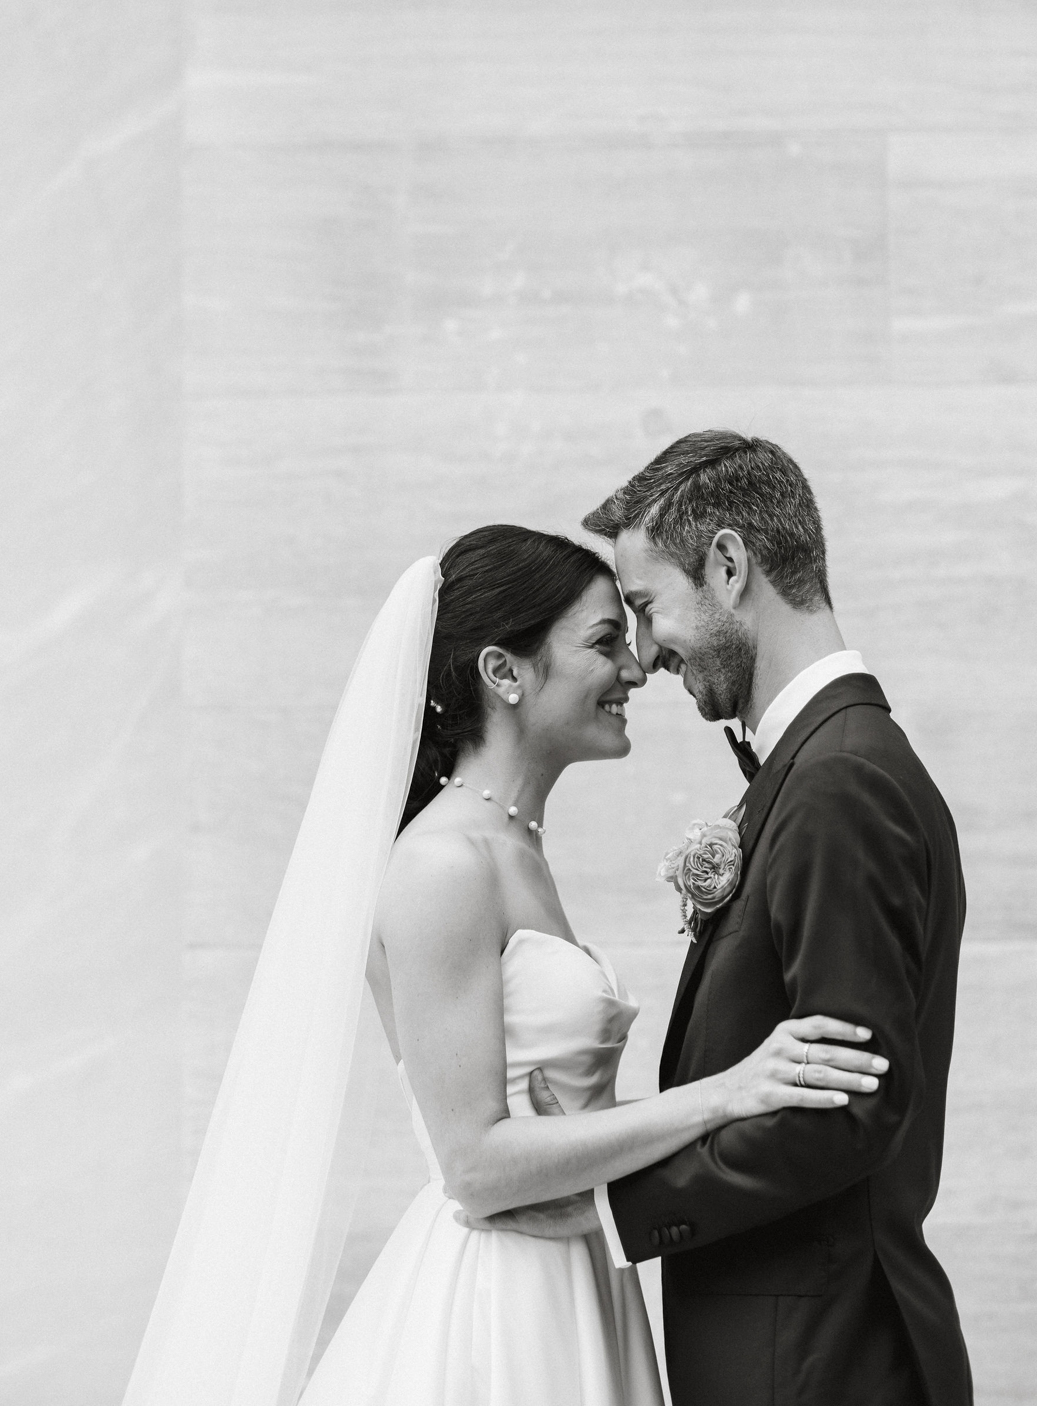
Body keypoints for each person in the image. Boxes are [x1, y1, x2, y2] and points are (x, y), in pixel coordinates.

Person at [297, 524, 885, 1406]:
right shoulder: (445, 865)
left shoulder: (510, 847)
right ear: (505, 673)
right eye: (606, 642)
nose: (639, 668)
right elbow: (476, 1166)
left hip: (577, 1268)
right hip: (503, 1305)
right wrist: (726, 1093)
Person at [467, 434, 972, 1406]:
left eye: (649, 610)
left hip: (820, 1366)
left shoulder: (843, 784)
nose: (644, 655)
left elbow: (847, 1107)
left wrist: (607, 1203)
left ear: (731, 566)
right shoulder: (818, 771)